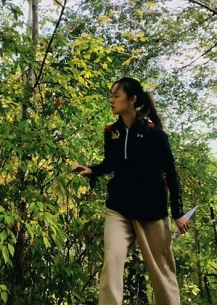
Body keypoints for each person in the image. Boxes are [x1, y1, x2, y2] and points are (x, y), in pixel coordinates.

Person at [73, 77, 190, 305]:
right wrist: (92, 170)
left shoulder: (153, 132)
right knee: (112, 262)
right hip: (119, 209)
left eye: (116, 95)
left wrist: (178, 212)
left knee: (162, 273)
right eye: (111, 95)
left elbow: (171, 173)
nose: (111, 100)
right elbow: (111, 163)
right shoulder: (111, 132)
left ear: (132, 99)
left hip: (151, 212)